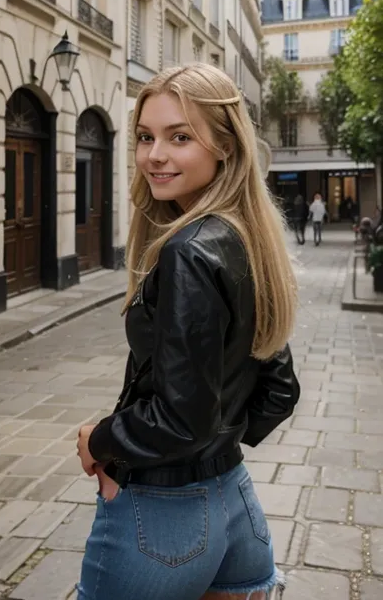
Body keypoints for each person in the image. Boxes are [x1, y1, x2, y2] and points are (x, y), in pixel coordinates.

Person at [76, 64, 300, 600]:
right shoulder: (247, 238)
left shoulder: (188, 251)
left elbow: (180, 420)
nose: (155, 155)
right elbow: (279, 390)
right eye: (146, 137)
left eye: (180, 137)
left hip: (164, 521)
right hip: (235, 504)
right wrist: (216, 438)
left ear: (224, 145)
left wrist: (99, 439)